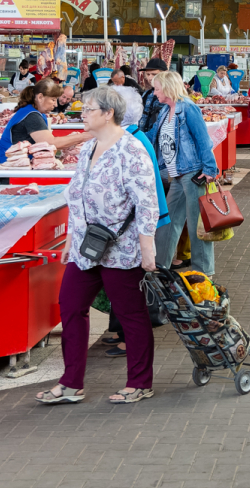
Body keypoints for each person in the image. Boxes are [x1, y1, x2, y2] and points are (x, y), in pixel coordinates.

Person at [35, 87, 163, 405]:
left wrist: (148, 246)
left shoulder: (131, 150)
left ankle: (139, 381)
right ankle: (71, 383)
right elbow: (76, 197)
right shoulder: (89, 147)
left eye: (89, 109)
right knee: (71, 304)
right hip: (85, 246)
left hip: (121, 247)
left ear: (108, 113)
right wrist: (70, 238)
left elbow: (146, 203)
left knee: (130, 313)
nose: (83, 114)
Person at [147, 70, 220, 276]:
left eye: (157, 89)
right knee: (168, 221)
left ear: (168, 88)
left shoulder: (188, 108)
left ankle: (203, 273)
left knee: (198, 226)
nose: (154, 93)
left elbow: (203, 139)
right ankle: (159, 268)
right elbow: (152, 135)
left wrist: (209, 169)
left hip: (193, 174)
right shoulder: (165, 111)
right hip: (176, 174)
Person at [0, 79, 91, 182]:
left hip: (8, 166)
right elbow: (50, 143)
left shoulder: (33, 111)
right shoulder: (32, 115)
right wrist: (83, 137)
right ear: (40, 97)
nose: (55, 104)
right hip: (3, 167)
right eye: (52, 99)